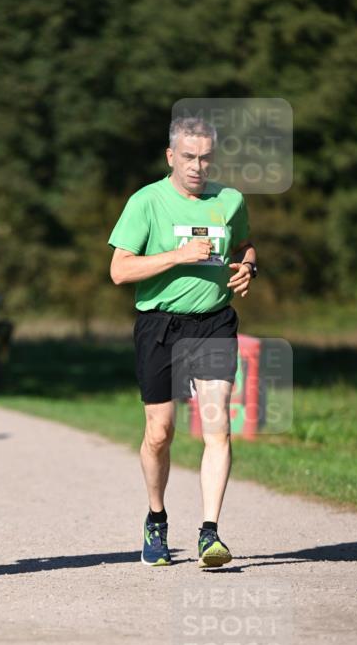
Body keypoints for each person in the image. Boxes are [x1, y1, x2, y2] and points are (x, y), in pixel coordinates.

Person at [108, 116, 257, 568]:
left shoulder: (229, 201)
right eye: (188, 157)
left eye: (205, 158)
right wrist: (178, 256)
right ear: (171, 156)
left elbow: (244, 245)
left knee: (218, 429)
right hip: (160, 325)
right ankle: (156, 519)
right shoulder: (147, 201)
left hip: (214, 323)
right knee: (160, 433)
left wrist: (249, 267)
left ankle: (210, 533)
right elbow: (120, 270)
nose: (197, 166)